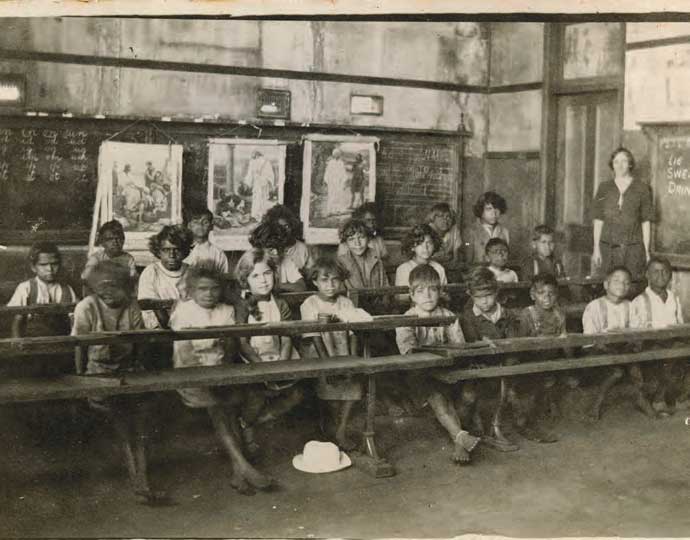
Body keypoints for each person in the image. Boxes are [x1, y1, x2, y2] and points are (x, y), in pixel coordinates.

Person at [169, 266, 274, 495]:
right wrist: (209, 377)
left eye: (214, 289)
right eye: (202, 289)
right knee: (218, 409)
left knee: (230, 405)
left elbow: (229, 347)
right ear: (191, 290)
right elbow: (184, 353)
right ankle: (243, 467)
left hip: (220, 373)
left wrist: (222, 374)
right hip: (191, 375)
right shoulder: (184, 311)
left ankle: (239, 473)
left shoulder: (226, 310)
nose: (209, 294)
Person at [72, 261, 166, 505]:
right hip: (98, 373)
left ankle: (141, 480)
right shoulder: (87, 307)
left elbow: (139, 343)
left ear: (126, 287)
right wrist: (81, 378)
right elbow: (79, 346)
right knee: (125, 423)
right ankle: (140, 483)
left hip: (128, 371)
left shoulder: (131, 306)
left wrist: (138, 372)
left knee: (139, 421)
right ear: (95, 289)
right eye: (103, 289)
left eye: (116, 288)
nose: (110, 294)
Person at [396, 265, 480, 464]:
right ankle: (460, 439)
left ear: (440, 292)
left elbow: (459, 346)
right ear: (412, 295)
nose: (427, 296)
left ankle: (459, 437)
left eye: (432, 290)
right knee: (438, 397)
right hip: (420, 375)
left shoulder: (448, 316)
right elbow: (409, 351)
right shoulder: (406, 319)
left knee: (469, 395)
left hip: (449, 370)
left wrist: (451, 357)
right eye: (420, 291)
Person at [234, 248, 304, 453]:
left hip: (279, 356)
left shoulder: (280, 302)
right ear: (246, 280)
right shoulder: (243, 304)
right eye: (255, 276)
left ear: (274, 274)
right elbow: (243, 342)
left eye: (267, 273)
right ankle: (246, 426)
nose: (263, 280)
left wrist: (281, 363)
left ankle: (261, 420)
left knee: (297, 395)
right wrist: (261, 366)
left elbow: (286, 335)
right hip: (252, 360)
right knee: (256, 397)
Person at [301, 258, 372, 450]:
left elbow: (353, 333)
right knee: (330, 390)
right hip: (322, 353)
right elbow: (314, 336)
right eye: (324, 280)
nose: (330, 285)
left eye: (335, 280)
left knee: (352, 387)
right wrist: (328, 365)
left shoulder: (345, 302)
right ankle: (331, 428)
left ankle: (341, 429)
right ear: (315, 281)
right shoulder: (310, 304)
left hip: (344, 350)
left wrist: (352, 360)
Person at [459, 266, 520, 452]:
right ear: (470, 295)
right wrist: (482, 342)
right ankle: (469, 428)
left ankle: (495, 427)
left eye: (489, 295)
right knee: (469, 397)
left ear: (496, 292)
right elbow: (471, 341)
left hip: (502, 362)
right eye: (478, 297)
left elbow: (513, 340)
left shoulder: (506, 314)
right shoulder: (468, 317)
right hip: (479, 363)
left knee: (507, 386)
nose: (485, 301)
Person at [582, 266, 653, 420]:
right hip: (599, 349)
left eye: (626, 282)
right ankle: (597, 403)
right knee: (617, 371)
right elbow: (589, 340)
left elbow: (636, 331)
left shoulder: (630, 306)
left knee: (635, 366)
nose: (621, 285)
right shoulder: (594, 307)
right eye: (616, 281)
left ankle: (642, 399)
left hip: (622, 348)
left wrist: (631, 344)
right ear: (606, 285)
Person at [515, 273, 570, 443]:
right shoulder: (528, 314)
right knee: (532, 386)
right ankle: (524, 423)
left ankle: (539, 418)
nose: (547, 297)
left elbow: (564, 341)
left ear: (557, 295)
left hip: (550, 359)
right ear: (533, 295)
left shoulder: (559, 314)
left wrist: (570, 364)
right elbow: (519, 345)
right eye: (541, 293)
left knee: (553, 382)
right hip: (529, 360)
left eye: (551, 293)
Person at [630, 257, 686, 416]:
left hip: (672, 342)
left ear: (670, 276)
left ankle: (680, 397)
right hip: (650, 343)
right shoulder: (640, 301)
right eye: (655, 271)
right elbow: (636, 333)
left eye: (664, 272)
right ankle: (659, 399)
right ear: (647, 275)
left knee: (680, 352)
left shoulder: (674, 298)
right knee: (666, 357)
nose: (660, 275)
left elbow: (680, 324)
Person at [592, 147, 653, 280]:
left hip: (633, 249)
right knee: (608, 283)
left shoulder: (642, 188)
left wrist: (646, 251)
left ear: (630, 164)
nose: (620, 165)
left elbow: (645, 222)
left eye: (624, 161)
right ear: (612, 165)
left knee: (631, 284)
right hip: (608, 248)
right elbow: (598, 220)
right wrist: (596, 248)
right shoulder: (604, 188)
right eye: (616, 162)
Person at [8, 241, 78, 339]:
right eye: (43, 265)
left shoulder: (66, 289)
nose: (50, 269)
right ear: (33, 267)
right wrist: (17, 343)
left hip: (60, 339)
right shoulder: (25, 288)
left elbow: (74, 320)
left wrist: (73, 341)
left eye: (54, 264)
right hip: (32, 340)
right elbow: (17, 320)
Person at [138, 224, 193, 330]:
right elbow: (148, 306)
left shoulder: (191, 272)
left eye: (176, 249)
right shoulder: (151, 271)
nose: (172, 255)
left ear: (185, 251)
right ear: (158, 251)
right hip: (158, 330)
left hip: (187, 326)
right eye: (166, 250)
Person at [336, 218, 389, 314]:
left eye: (361, 237)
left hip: (377, 311)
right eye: (351, 239)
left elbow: (385, 290)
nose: (357, 243)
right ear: (346, 243)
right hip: (352, 311)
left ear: (368, 238)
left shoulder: (377, 259)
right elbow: (341, 295)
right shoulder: (341, 263)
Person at [248, 221, 306, 292]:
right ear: (259, 249)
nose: (277, 253)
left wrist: (278, 286)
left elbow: (301, 287)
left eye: (280, 248)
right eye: (271, 249)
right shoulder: (251, 262)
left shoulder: (286, 259)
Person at [82, 220, 138, 284]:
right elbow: (85, 276)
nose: (115, 242)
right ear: (102, 242)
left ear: (123, 240)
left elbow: (133, 277)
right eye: (110, 239)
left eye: (118, 238)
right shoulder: (97, 258)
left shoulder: (128, 259)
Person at [262, 204, 313, 274]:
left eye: (286, 226)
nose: (283, 230)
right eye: (278, 227)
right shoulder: (266, 249)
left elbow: (309, 274)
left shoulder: (302, 248)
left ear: (292, 225)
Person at [465, 191, 510, 266]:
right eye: (489, 209)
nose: (494, 213)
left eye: (497, 209)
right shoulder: (471, 232)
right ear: (481, 211)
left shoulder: (504, 232)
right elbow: (467, 261)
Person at [183, 207, 229, 275]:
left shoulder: (218, 254)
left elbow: (223, 279)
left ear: (211, 226)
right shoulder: (182, 250)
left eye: (205, 222)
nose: (200, 225)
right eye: (196, 222)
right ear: (189, 226)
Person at [426, 203, 463, 270]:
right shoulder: (427, 231)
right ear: (433, 218)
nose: (445, 220)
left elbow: (457, 254)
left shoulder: (454, 231)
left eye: (448, 217)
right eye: (441, 216)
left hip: (449, 267)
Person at [243, 150, 276, 222]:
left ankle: (260, 216)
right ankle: (255, 216)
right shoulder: (253, 162)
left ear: (258, 155)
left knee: (262, 199)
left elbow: (270, 174)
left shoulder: (266, 162)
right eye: (253, 156)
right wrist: (247, 183)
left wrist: (266, 180)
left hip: (263, 184)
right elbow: (250, 174)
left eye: (255, 155)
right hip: (257, 184)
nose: (254, 157)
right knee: (257, 199)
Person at [323, 148, 349, 216]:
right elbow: (327, 172)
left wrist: (344, 181)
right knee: (331, 195)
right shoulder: (330, 163)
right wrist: (326, 180)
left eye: (338, 154)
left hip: (339, 181)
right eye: (335, 154)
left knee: (339, 195)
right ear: (333, 155)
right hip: (331, 182)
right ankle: (330, 211)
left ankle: (339, 210)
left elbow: (343, 173)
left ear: (339, 155)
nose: (337, 155)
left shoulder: (341, 163)